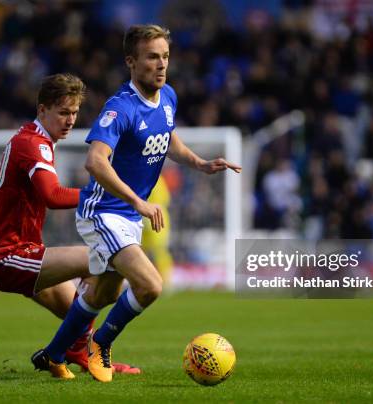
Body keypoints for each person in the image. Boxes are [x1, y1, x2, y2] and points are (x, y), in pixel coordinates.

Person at [37, 25, 241, 383]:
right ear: (131, 62)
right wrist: (137, 201)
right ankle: (100, 345)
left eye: (165, 56)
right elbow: (95, 162)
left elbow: (168, 137)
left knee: (102, 293)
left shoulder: (168, 97)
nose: (161, 65)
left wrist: (199, 163)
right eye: (152, 57)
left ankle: (53, 354)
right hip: (104, 212)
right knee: (150, 284)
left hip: (127, 215)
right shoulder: (120, 108)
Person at [0, 73, 139, 380]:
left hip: (24, 250)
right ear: (42, 110)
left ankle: (82, 353)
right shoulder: (33, 144)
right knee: (101, 259)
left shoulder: (36, 140)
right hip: (6, 255)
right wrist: (104, 194)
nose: (70, 120)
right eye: (63, 112)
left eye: (74, 112)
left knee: (78, 315)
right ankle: (82, 352)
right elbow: (52, 195)